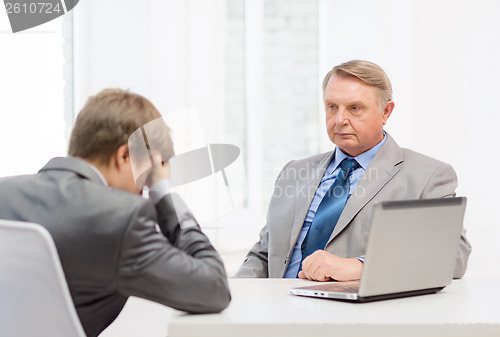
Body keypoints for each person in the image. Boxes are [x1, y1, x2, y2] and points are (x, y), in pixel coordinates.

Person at [0, 89, 231, 337]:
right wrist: (164, 192)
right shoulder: (122, 218)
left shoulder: (5, 193)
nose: (143, 191)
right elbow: (214, 288)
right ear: (123, 156)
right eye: (145, 180)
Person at [236, 60, 471, 281]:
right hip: (276, 315)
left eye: (355, 108)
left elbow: (454, 256)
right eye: (331, 107)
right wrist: (235, 295)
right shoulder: (293, 172)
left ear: (386, 112)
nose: (339, 119)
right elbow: (264, 256)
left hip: (355, 319)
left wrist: (359, 266)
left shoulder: (427, 177)